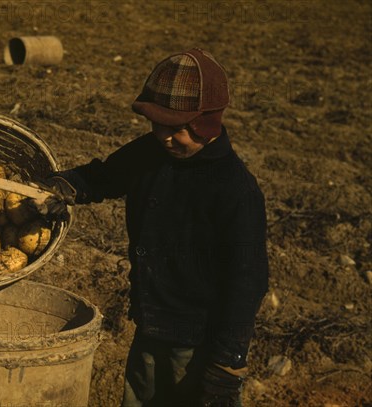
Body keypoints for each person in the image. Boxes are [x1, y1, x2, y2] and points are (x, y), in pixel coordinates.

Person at [36, 49, 269, 406]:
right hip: (151, 327)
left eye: (175, 128)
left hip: (198, 345)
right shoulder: (151, 153)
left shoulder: (234, 190)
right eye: (156, 124)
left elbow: (247, 282)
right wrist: (70, 184)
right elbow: (106, 175)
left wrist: (226, 367)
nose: (164, 136)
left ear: (206, 124)